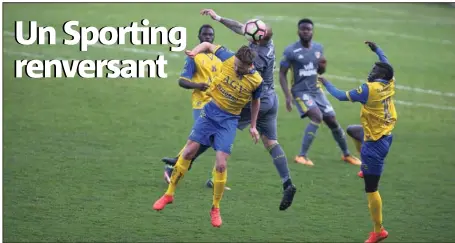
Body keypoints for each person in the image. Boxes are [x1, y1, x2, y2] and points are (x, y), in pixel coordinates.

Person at [163, 9, 297, 211]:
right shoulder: (265, 41)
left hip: (256, 100)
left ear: (256, 37)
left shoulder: (256, 60)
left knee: (220, 120)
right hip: (272, 100)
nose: (244, 30)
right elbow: (239, 27)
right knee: (271, 142)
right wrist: (219, 18)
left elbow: (245, 80)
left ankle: (183, 161)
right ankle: (287, 182)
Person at [153, 42, 263, 229]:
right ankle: (169, 194)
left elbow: (256, 102)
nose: (236, 68)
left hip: (228, 121)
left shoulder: (256, 81)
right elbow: (207, 45)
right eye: (235, 64)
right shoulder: (228, 56)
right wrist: (194, 52)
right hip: (210, 112)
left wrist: (253, 126)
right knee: (188, 152)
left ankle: (215, 208)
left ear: (249, 66)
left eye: (240, 67)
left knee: (221, 164)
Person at [319, 41, 396, 243]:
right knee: (353, 130)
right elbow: (386, 63)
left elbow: (339, 95)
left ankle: (379, 230)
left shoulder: (369, 90)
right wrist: (377, 50)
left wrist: (324, 82)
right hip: (384, 133)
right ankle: (365, 167)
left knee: (371, 189)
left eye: (375, 71)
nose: (371, 72)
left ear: (380, 77)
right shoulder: (390, 81)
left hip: (375, 145)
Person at [279, 18, 361, 167]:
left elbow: (319, 70)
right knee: (317, 116)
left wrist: (323, 67)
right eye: (303, 29)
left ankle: (347, 155)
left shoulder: (318, 48)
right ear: (298, 31)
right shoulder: (291, 51)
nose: (306, 32)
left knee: (332, 120)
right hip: (300, 91)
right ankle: (301, 156)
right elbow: (282, 74)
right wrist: (287, 96)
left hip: (316, 90)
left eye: (308, 29)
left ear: (312, 31)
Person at [161, 24, 222, 184]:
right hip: (201, 103)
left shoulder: (219, 57)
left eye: (210, 35)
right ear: (199, 37)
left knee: (213, 139)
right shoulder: (194, 57)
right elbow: (182, 81)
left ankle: (177, 163)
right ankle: (175, 166)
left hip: (217, 104)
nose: (208, 37)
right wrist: (198, 85)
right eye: (205, 35)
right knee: (205, 139)